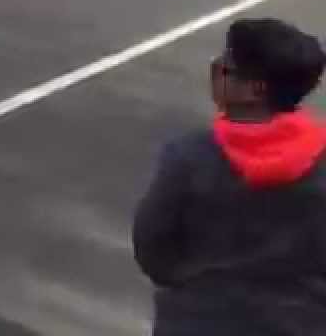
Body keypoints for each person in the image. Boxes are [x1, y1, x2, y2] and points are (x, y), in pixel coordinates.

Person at [133, 18, 326, 336]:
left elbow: (152, 247)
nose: (215, 68)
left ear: (255, 90)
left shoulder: (190, 157)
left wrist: (194, 288)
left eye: (225, 67)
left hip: (199, 320)